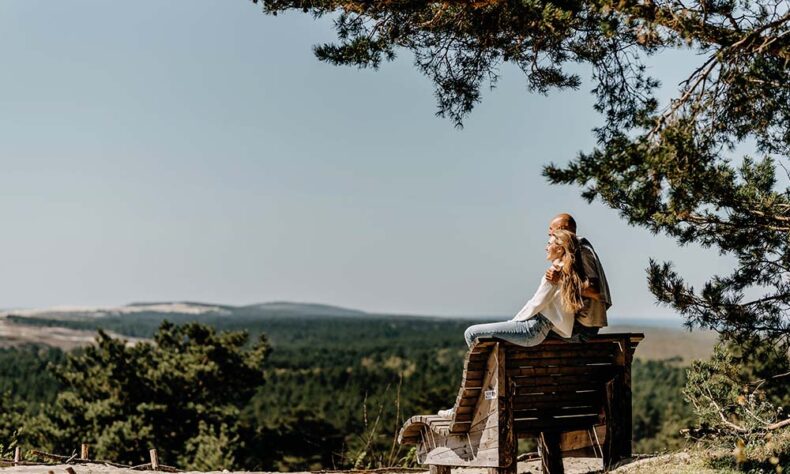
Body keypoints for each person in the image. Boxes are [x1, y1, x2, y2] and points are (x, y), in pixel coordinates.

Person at [437, 229, 587, 418]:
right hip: (543, 328)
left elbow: (536, 303)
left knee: (471, 333)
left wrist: (513, 323)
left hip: (532, 327)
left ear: (559, 248)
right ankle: (481, 393)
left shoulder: (554, 271)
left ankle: (475, 398)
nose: (546, 246)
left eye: (549, 243)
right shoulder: (569, 272)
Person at [545, 213, 611, 339]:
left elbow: (593, 290)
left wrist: (560, 279)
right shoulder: (575, 248)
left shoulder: (581, 249)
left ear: (562, 229)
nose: (551, 240)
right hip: (580, 323)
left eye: (552, 234)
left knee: (535, 332)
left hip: (583, 326)